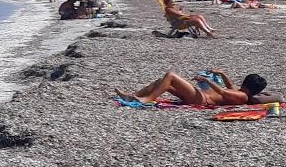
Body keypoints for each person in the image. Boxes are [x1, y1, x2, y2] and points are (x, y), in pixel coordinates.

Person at [116, 70, 275, 108]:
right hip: (199, 96)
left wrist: (206, 80)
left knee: (170, 75)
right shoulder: (240, 92)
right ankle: (133, 96)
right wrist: (220, 72)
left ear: (247, 83)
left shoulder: (243, 97)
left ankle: (146, 99)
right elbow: (230, 85)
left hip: (201, 99)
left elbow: (223, 92)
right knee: (163, 82)